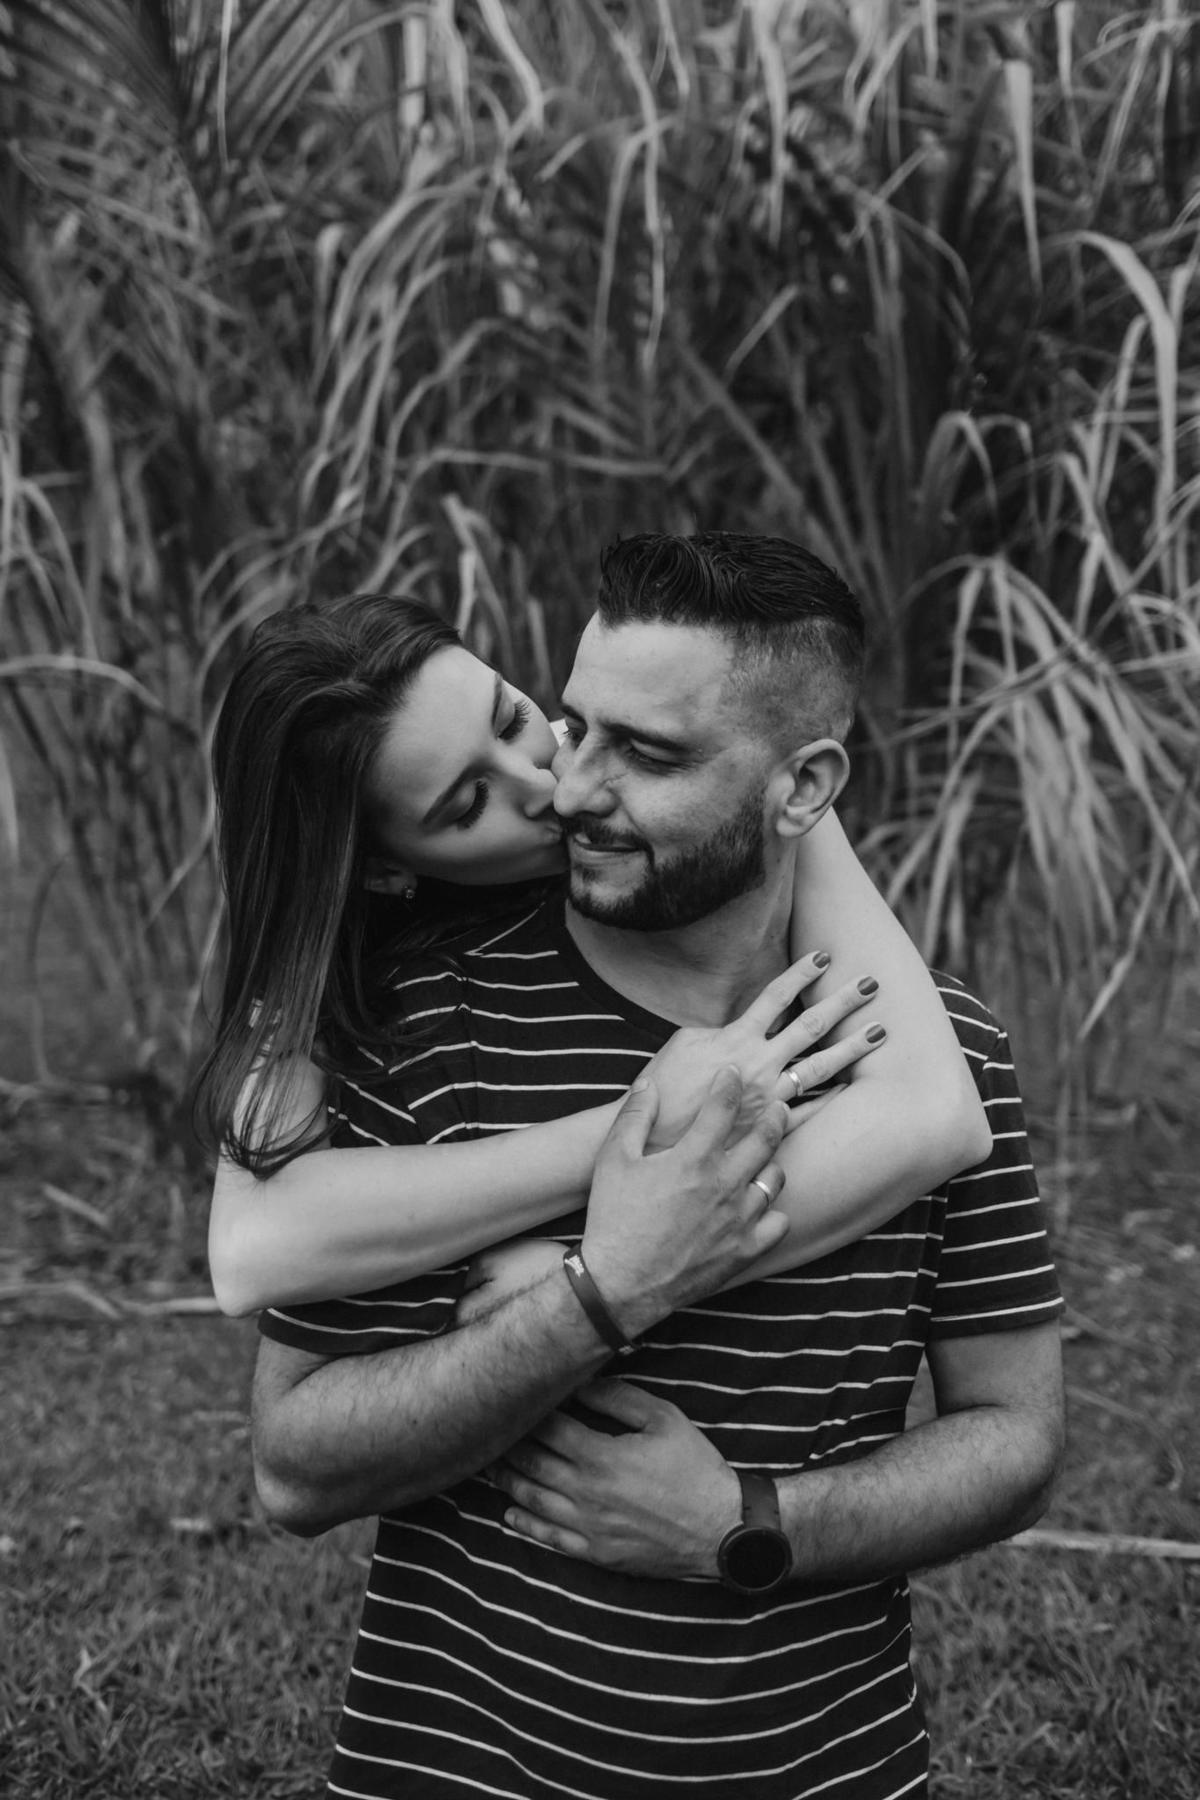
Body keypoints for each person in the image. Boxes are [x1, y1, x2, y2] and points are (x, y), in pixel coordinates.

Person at [248, 534, 1064, 1799]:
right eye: (576, 726)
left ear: (805, 789)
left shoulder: (936, 1052)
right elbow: (294, 1469)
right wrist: (596, 1298)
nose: (570, 788)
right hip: (462, 1767)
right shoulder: (418, 1027)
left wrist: (748, 1523)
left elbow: (1015, 1437)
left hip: (824, 1766)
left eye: (650, 753)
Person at [199, 590, 989, 1319]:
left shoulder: (731, 784)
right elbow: (250, 1252)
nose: (556, 786)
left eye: (510, 718)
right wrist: (636, 1127)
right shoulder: (342, 968)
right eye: (470, 804)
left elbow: (934, 1115)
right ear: (381, 869)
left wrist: (589, 1280)